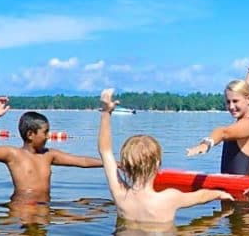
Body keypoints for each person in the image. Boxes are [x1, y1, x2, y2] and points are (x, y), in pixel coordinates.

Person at [97, 89, 228, 224]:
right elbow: (200, 196)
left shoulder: (120, 194)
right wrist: (219, 193)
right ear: (157, 163)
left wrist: (106, 113)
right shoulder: (169, 197)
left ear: (126, 165)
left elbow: (105, 151)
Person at [0, 97, 101, 203]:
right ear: (30, 134)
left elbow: (82, 161)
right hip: (22, 209)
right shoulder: (13, 155)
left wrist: (112, 163)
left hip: (44, 208)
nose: (49, 136)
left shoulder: (48, 155)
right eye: (45, 132)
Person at [185, 60, 249, 175]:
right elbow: (245, 92)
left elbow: (223, 132)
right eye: (228, 102)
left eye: (235, 101)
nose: (231, 107)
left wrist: (206, 143)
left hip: (238, 191)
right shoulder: (247, 117)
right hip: (235, 187)